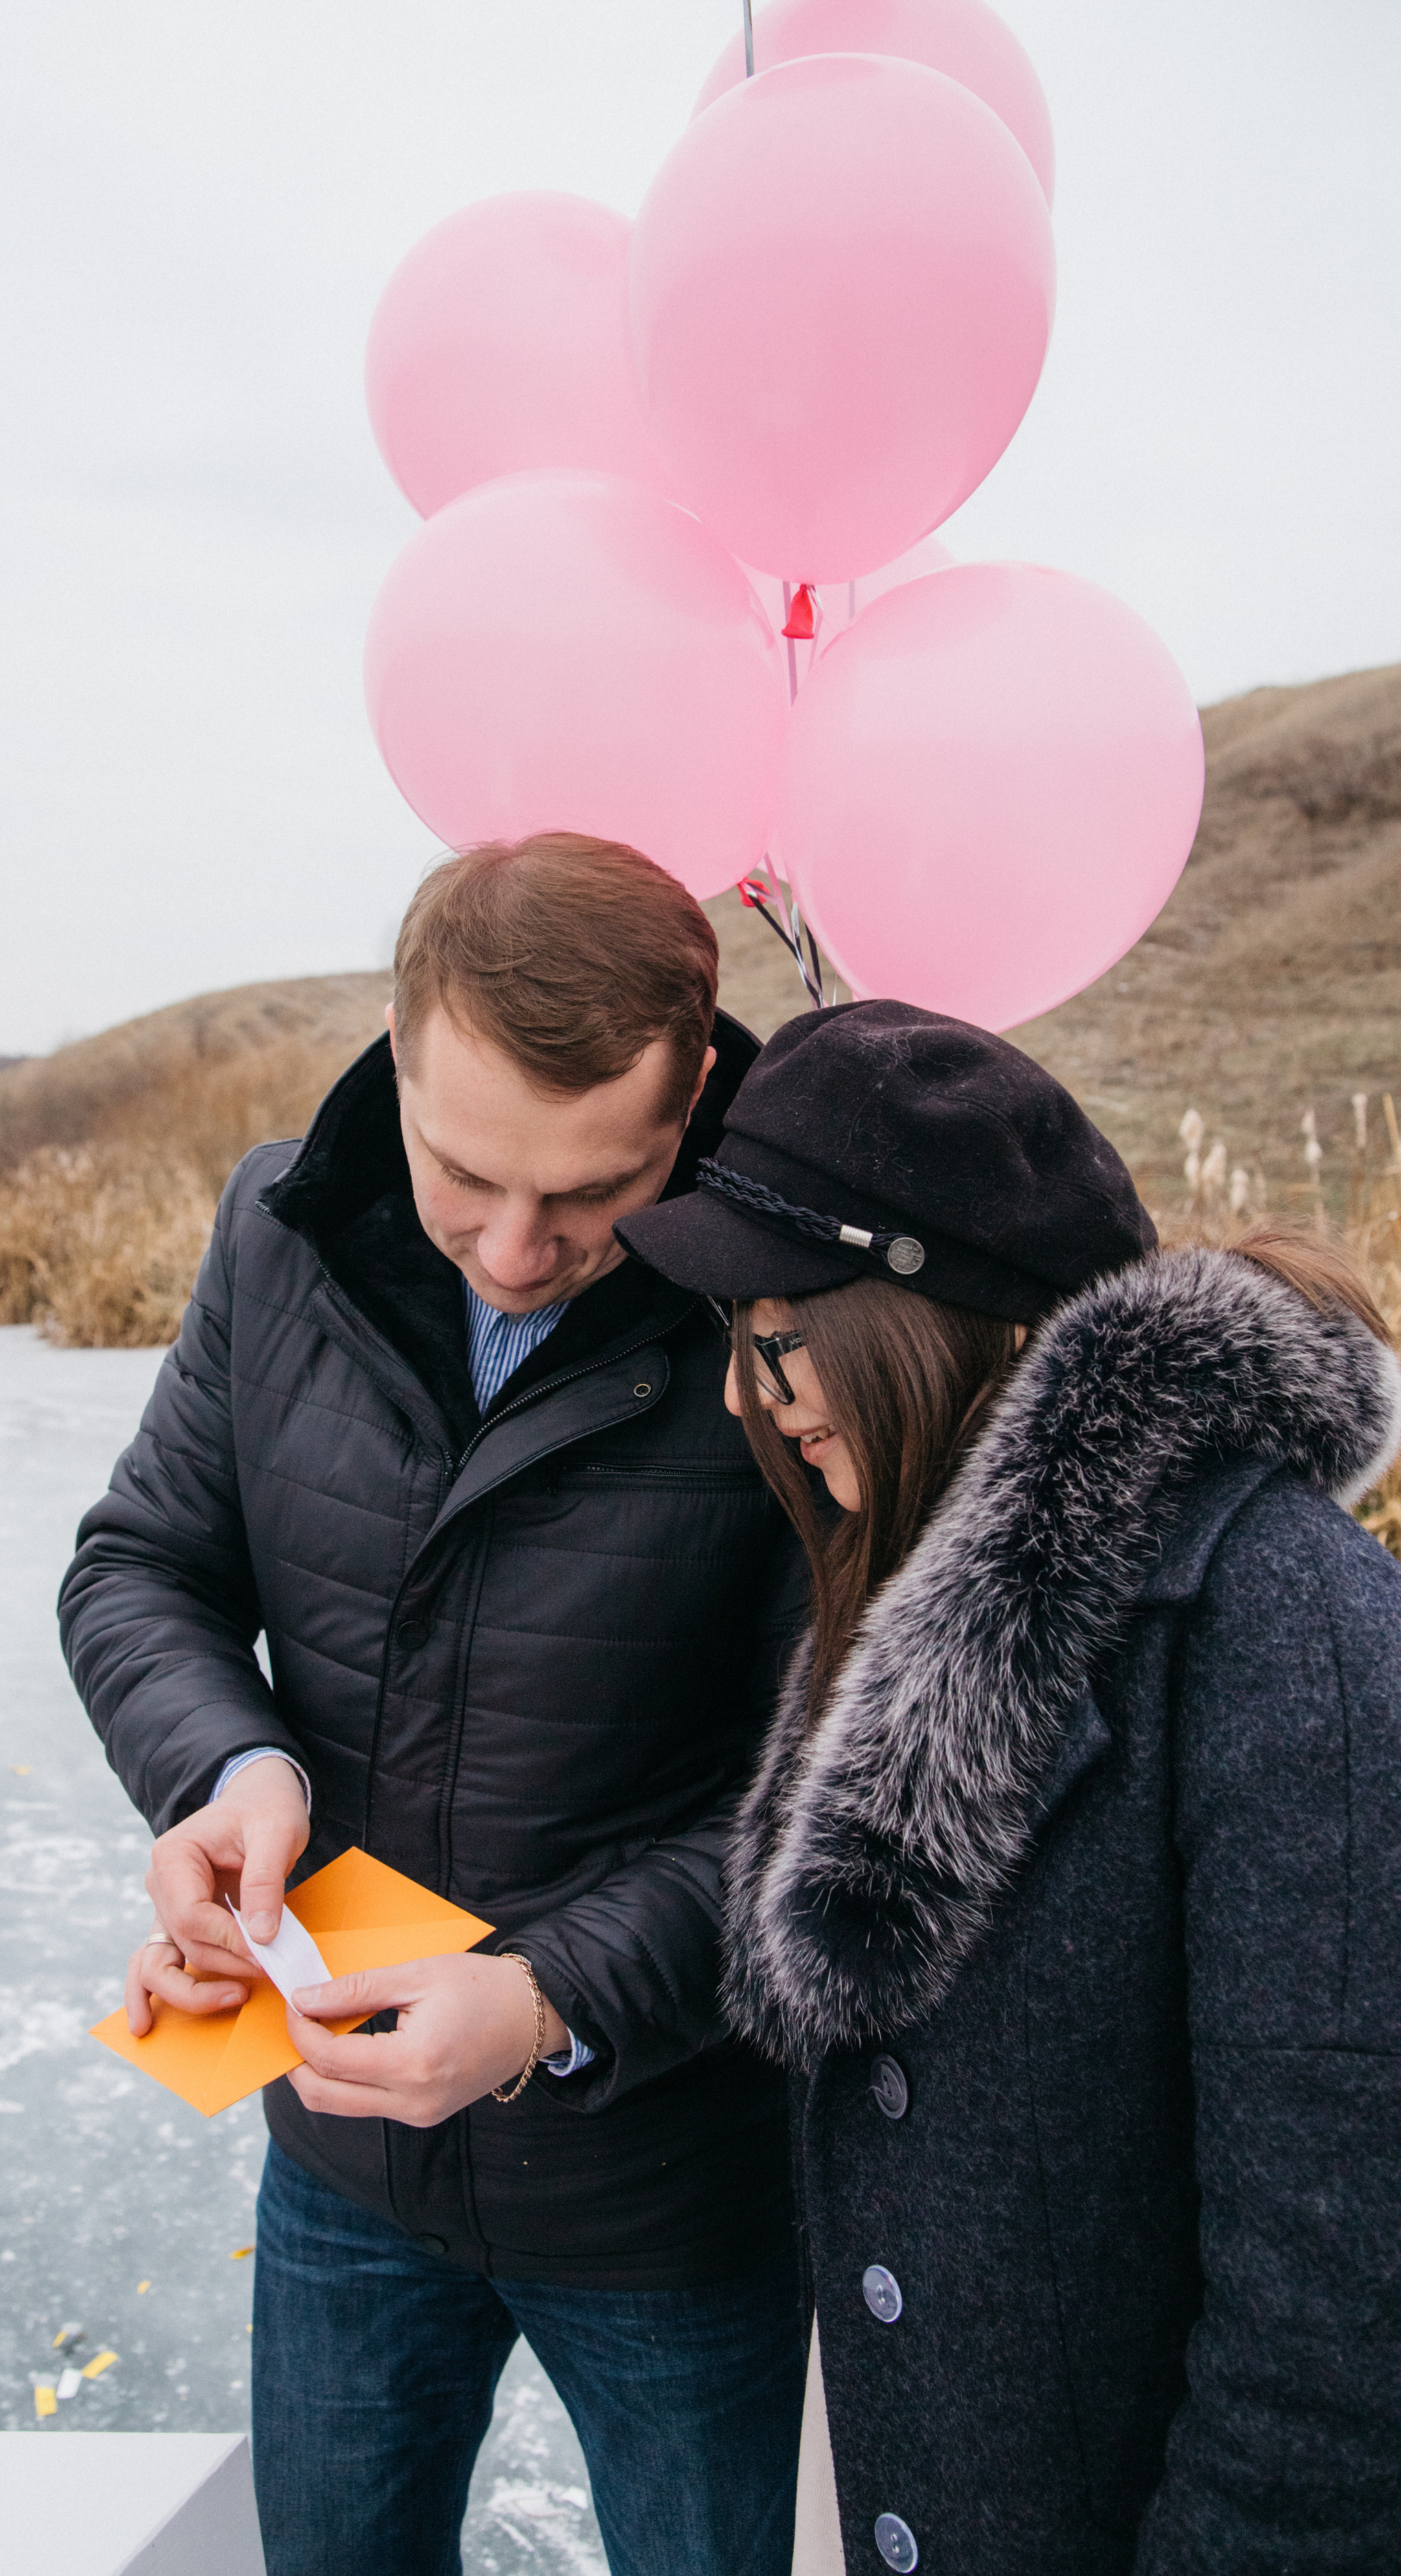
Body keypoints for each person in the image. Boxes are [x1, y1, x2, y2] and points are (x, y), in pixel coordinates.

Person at [59, 834, 810, 2576]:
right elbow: (139, 1567)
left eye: (593, 1191)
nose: (517, 1244)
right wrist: (224, 1768)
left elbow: (829, 1795)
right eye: (463, 1172)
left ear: (692, 1092)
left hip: (675, 2200)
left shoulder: (799, 1312)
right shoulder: (275, 1227)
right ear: (397, 1051)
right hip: (340, 2167)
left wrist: (548, 2001)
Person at [618, 1000, 1401, 2575]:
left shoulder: (1275, 1624)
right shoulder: (899, 1571)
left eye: (768, 1336)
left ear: (914, 1314)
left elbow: (1335, 2316)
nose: (739, 1397)